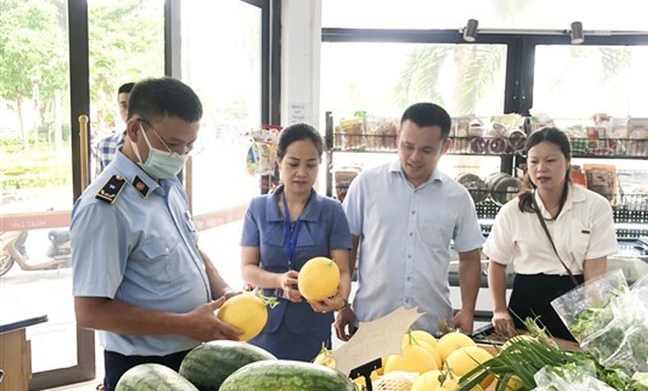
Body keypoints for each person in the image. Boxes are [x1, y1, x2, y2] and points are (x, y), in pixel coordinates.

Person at [71, 77, 242, 391]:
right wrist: (184, 324)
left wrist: (223, 290)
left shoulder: (167, 183)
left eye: (190, 146)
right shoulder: (105, 208)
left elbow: (187, 247)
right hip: (142, 371)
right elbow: (90, 312)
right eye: (173, 144)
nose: (181, 155)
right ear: (135, 129)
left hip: (192, 356)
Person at [338, 102, 484, 339]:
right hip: (370, 324)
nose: (415, 157)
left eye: (426, 150)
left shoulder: (457, 197)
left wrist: (468, 311)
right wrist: (342, 304)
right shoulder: (367, 184)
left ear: (445, 146)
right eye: (408, 146)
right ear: (398, 138)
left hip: (432, 327)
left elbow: (470, 257)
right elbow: (347, 247)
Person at [485, 126, 619, 341]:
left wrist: (597, 318)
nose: (541, 169)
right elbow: (497, 262)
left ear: (567, 161)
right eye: (534, 161)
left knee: (574, 369)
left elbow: (595, 270)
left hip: (575, 301)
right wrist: (499, 310)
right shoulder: (513, 211)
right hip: (527, 302)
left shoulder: (595, 206)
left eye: (550, 160)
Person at [240, 123, 352, 361]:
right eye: (293, 164)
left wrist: (340, 301)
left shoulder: (332, 211)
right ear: (279, 161)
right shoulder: (257, 209)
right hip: (263, 325)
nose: (302, 172)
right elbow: (248, 269)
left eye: (311, 165)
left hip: (312, 325)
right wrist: (278, 280)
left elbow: (342, 270)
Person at [91, 82, 135, 178]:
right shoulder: (104, 146)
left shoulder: (153, 146)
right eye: (124, 105)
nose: (128, 111)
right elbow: (98, 184)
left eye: (133, 105)